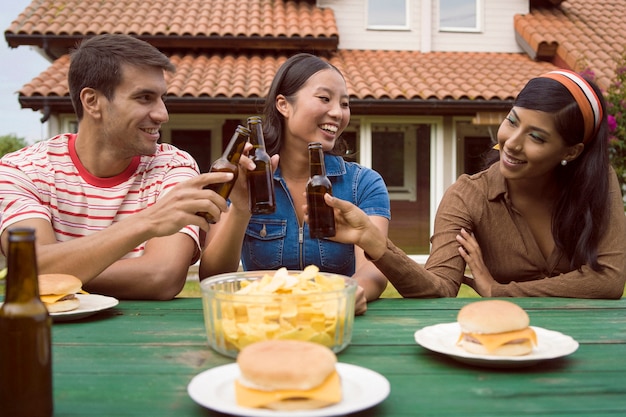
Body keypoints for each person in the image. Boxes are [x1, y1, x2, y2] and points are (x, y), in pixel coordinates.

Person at [316, 69, 626, 299]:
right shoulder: (468, 196)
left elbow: (609, 280)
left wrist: (498, 290)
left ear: (570, 151)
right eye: (513, 121)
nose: (512, 144)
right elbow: (439, 289)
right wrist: (375, 243)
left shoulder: (598, 184)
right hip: (500, 344)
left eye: (537, 137)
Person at [0, 34, 235, 300]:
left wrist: (54, 271)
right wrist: (149, 221)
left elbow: (162, 277)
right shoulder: (21, 171)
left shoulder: (173, 165)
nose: (163, 114)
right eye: (144, 98)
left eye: (161, 98)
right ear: (92, 102)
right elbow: (31, 266)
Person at [199, 53, 391, 314]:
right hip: (263, 320)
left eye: (345, 104)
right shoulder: (245, 177)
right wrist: (241, 209)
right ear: (283, 105)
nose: (337, 112)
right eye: (324, 99)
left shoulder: (363, 184)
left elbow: (374, 266)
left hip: (333, 318)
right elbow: (212, 276)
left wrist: (348, 294)